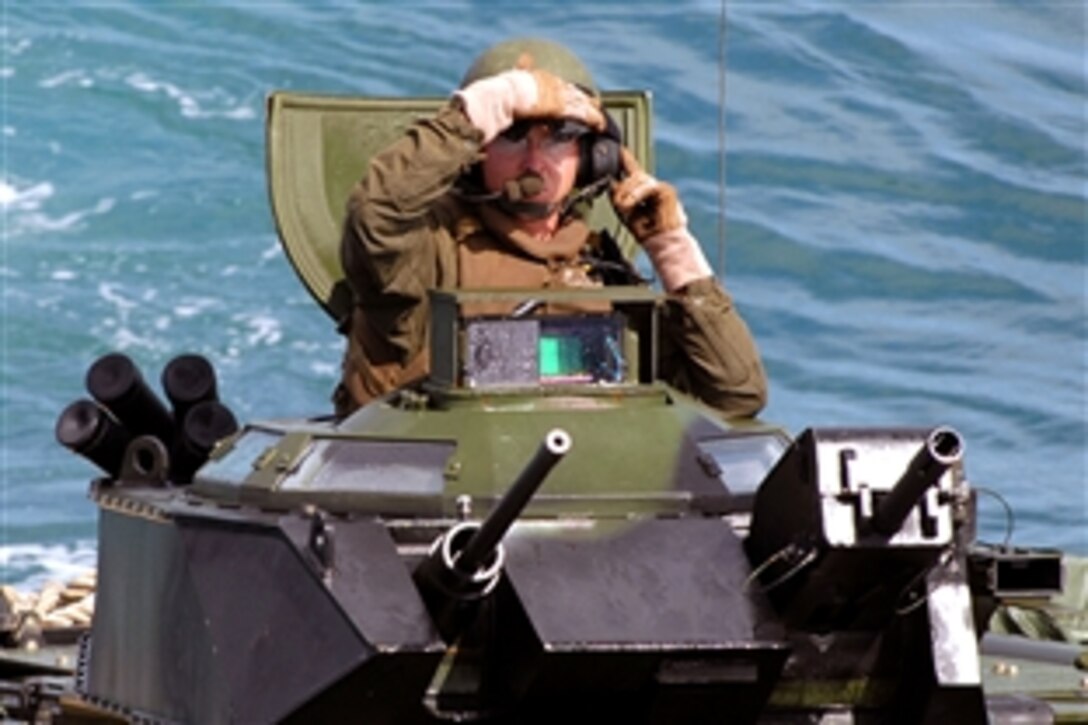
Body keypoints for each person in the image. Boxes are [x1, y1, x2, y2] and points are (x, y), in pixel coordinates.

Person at [334, 37, 767, 418]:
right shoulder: (429, 252)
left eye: (560, 137)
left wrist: (673, 251)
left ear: (593, 156)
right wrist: (487, 107)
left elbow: (734, 395)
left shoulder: (602, 270)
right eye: (514, 134)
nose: (536, 160)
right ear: (476, 152)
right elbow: (377, 217)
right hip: (438, 494)